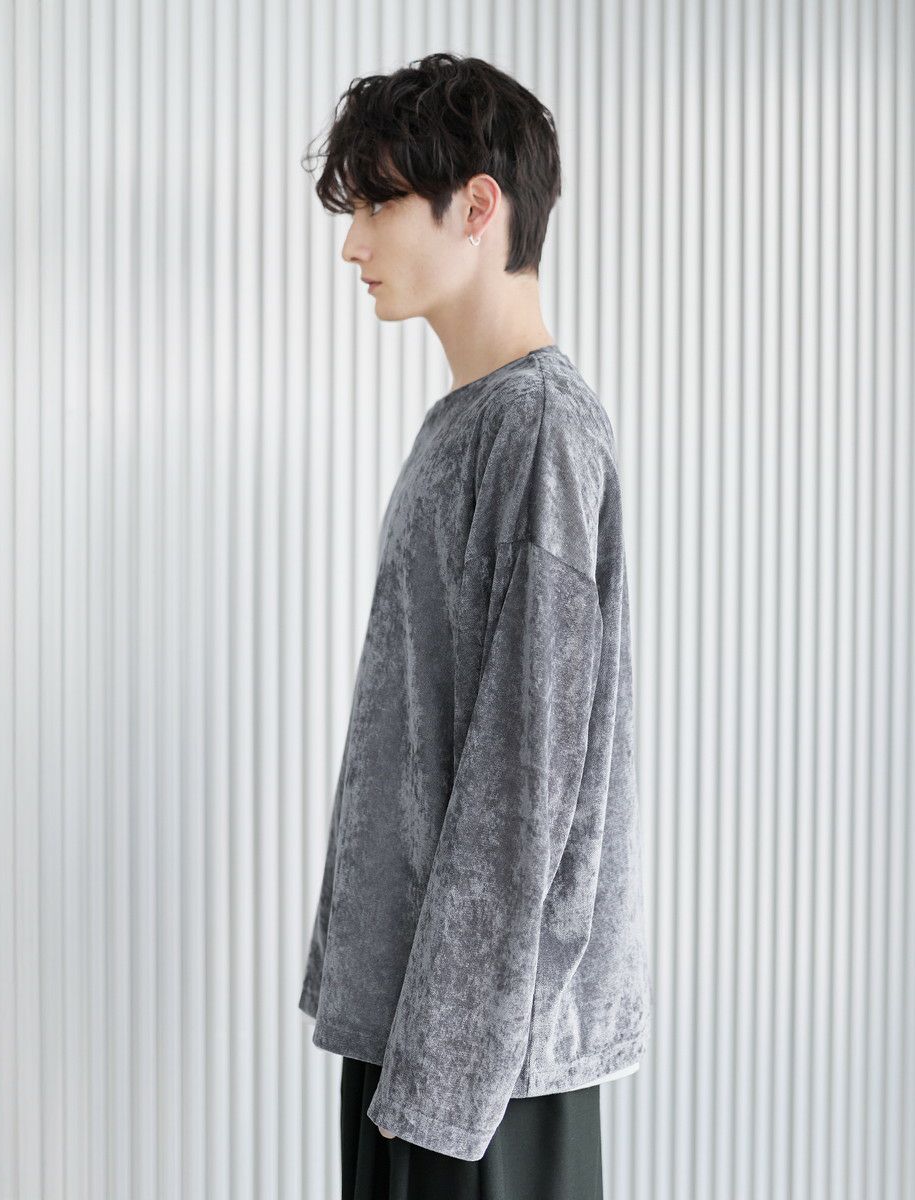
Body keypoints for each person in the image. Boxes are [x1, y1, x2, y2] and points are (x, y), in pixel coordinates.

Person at [298, 51, 653, 1199]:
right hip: (419, 1025)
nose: (353, 244)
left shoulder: (538, 430)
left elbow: (523, 788)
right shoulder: (467, 421)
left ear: (477, 205)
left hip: (475, 1063)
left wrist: (443, 1088)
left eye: (378, 204)